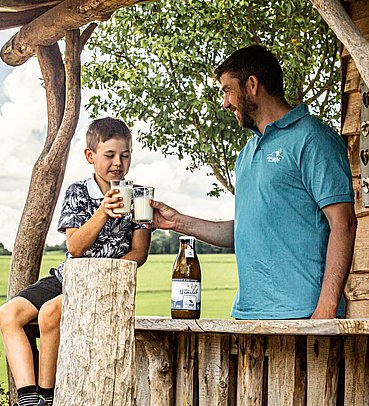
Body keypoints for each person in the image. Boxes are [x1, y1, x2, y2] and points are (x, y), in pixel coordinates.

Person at [152, 45, 357, 320]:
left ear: (252, 85)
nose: (224, 103)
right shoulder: (246, 155)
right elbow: (244, 232)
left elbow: (343, 222)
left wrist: (326, 310)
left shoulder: (313, 139)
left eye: (227, 90)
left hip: (303, 317)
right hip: (248, 315)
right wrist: (176, 222)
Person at [0, 117, 152, 406]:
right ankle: (28, 397)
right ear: (90, 156)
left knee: (49, 314)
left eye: (125, 155)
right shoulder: (78, 192)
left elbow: (139, 253)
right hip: (67, 276)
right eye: (109, 155)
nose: (118, 162)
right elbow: (75, 247)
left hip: (104, 286)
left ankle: (46, 395)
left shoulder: (139, 196)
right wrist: (103, 211)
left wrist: (106, 274)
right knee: (8, 314)